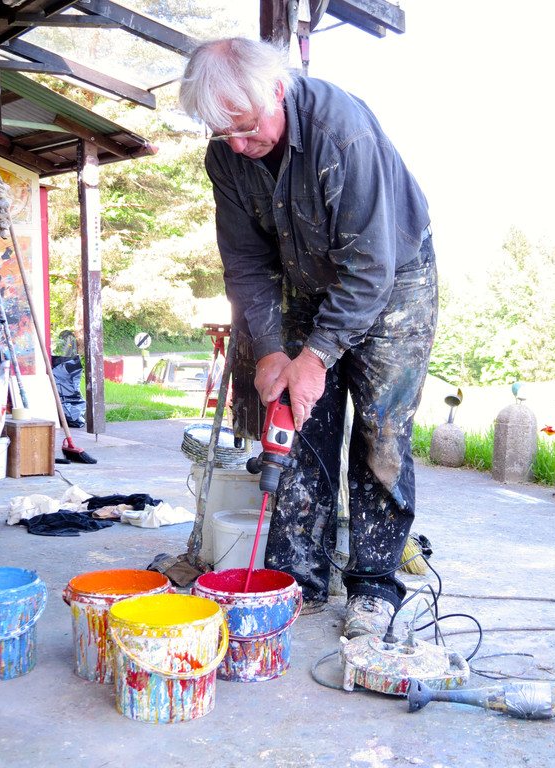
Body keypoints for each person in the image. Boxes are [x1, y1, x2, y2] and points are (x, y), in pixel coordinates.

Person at [180, 37, 438, 638]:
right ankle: (297, 577)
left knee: (380, 431)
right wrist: (272, 350)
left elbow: (369, 269)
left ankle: (373, 586)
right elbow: (246, 263)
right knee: (295, 420)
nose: (237, 145)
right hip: (304, 279)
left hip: (392, 278)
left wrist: (317, 355)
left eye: (246, 127)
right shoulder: (226, 155)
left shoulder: (341, 133)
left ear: (277, 90)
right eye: (222, 133)